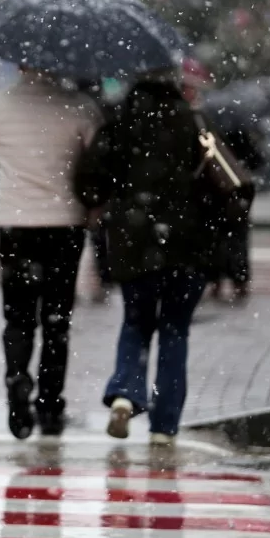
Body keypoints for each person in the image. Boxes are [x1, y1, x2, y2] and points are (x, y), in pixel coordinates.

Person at [75, 78, 222, 445]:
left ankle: (126, 392)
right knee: (175, 331)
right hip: (187, 244)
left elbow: (88, 185)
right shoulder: (195, 124)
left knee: (136, 323)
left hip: (133, 243)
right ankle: (164, 426)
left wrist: (118, 196)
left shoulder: (119, 126)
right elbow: (222, 181)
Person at [0, 67, 103, 438]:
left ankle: (16, 390)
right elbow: (94, 162)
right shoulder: (81, 106)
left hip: (15, 221)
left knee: (17, 318)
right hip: (64, 222)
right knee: (57, 321)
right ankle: (50, 404)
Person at [181, 60, 265, 301]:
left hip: (209, 189)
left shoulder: (202, 119)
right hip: (235, 188)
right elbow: (254, 158)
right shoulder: (237, 120)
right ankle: (239, 280)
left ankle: (215, 280)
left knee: (213, 236)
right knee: (237, 236)